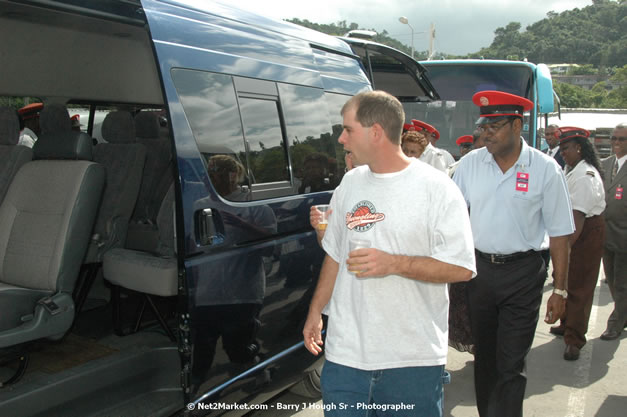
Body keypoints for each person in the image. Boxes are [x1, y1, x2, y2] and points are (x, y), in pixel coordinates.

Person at [302, 91, 476, 416]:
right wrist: (316, 312)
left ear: (376, 132)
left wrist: (395, 263)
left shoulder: (437, 190)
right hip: (346, 357)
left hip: (411, 360)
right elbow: (335, 255)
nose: (340, 139)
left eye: (348, 129)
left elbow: (461, 268)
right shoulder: (349, 185)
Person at [452, 90, 574, 417]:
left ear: (518, 125)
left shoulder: (545, 170)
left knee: (511, 363)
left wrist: (560, 289)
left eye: (495, 126)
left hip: (524, 273)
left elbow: (561, 233)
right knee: (485, 360)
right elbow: (449, 218)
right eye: (483, 125)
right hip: (480, 273)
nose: (485, 133)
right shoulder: (469, 166)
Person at [547, 127, 606, 360]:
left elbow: (577, 218)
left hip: (585, 232)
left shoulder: (585, 176)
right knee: (568, 281)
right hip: (573, 226)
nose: (563, 153)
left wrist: (565, 250)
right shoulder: (571, 169)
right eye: (561, 149)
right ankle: (566, 323)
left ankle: (575, 339)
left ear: (579, 148)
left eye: (566, 148)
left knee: (580, 285)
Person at [599, 122, 627, 340]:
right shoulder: (605, 164)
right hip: (606, 236)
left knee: (621, 284)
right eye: (614, 139)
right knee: (612, 279)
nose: (616, 143)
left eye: (622, 139)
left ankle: (615, 324)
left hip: (625, 237)